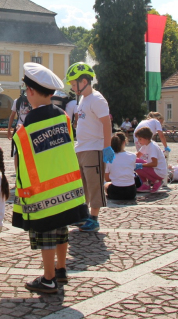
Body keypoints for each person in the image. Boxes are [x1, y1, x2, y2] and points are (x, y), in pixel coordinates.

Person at [13, 62, 88, 294]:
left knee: (46, 232)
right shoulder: (63, 116)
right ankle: (62, 270)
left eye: (26, 90)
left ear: (32, 92)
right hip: (67, 187)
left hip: (43, 191)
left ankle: (48, 279)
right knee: (61, 228)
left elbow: (21, 160)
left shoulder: (29, 123)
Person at [66, 62, 113, 233]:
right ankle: (84, 215)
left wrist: (107, 147)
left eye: (73, 83)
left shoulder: (97, 99)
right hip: (82, 148)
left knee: (94, 184)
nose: (72, 87)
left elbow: (106, 123)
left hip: (94, 148)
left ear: (84, 81)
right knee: (83, 185)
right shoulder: (83, 99)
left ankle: (94, 218)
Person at [104, 132, 138, 201]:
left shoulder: (109, 157)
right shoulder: (133, 156)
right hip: (131, 192)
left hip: (116, 192)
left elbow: (107, 178)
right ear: (124, 142)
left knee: (106, 184)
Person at [134, 127, 168, 193]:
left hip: (159, 171)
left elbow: (154, 163)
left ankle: (156, 181)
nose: (138, 141)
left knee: (137, 165)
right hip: (155, 169)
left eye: (140, 139)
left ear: (146, 138)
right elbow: (137, 156)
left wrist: (141, 165)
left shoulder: (152, 147)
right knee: (134, 162)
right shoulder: (146, 144)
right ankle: (146, 184)